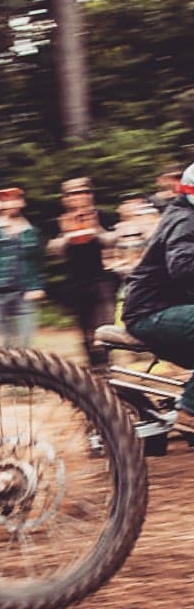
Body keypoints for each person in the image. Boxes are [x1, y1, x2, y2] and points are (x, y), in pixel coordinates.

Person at [121, 161, 194, 429]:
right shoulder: (184, 219)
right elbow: (183, 266)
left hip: (166, 309)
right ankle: (190, 410)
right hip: (150, 311)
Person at [47, 177, 116, 368]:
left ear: (90, 195)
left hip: (102, 280)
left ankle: (108, 370)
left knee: (104, 329)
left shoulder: (101, 215)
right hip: (76, 282)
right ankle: (94, 371)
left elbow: (113, 240)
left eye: (82, 192)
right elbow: (53, 250)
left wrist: (96, 230)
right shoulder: (61, 220)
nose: (78, 197)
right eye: (72, 194)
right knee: (85, 332)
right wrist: (67, 236)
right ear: (65, 199)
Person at [0, 188, 45, 349]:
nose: (11, 204)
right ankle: (7, 373)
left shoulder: (32, 231)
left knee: (26, 341)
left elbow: (38, 261)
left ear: (22, 202)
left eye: (14, 199)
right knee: (5, 341)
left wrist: (37, 286)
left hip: (24, 290)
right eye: (5, 200)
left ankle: (24, 371)